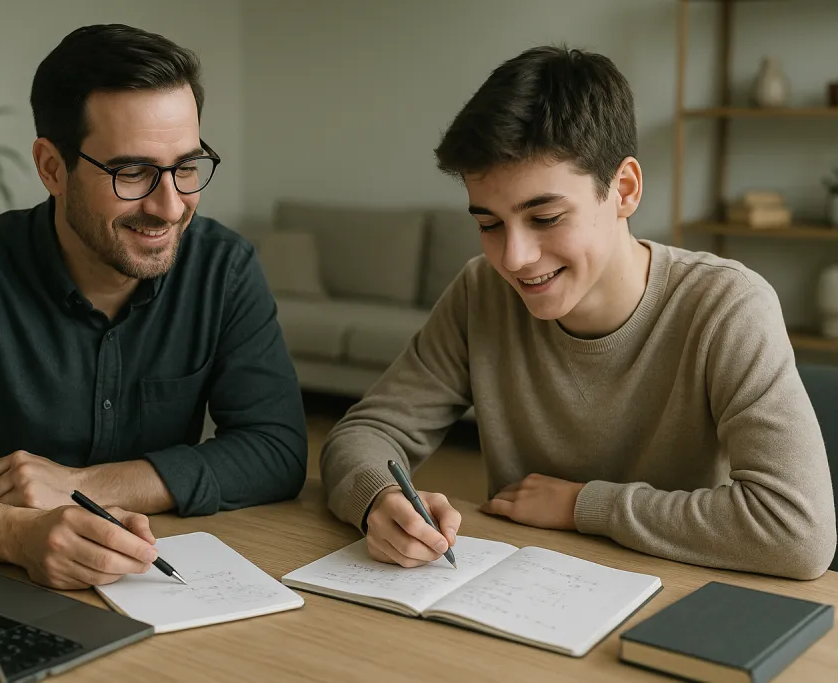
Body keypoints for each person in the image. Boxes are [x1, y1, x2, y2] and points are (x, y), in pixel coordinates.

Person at [319, 45, 836, 580]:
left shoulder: (727, 307)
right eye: (489, 224)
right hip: (516, 595)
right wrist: (378, 498)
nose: (514, 259)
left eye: (544, 217)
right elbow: (365, 433)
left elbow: (798, 532)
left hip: (680, 593)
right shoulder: (481, 291)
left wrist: (583, 505)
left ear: (624, 190)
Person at [0, 24, 307, 589]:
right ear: (52, 168)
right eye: (132, 171)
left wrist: (91, 484)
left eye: (185, 165)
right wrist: (14, 534)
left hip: (160, 578)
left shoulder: (224, 269)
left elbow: (276, 449)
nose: (171, 205)